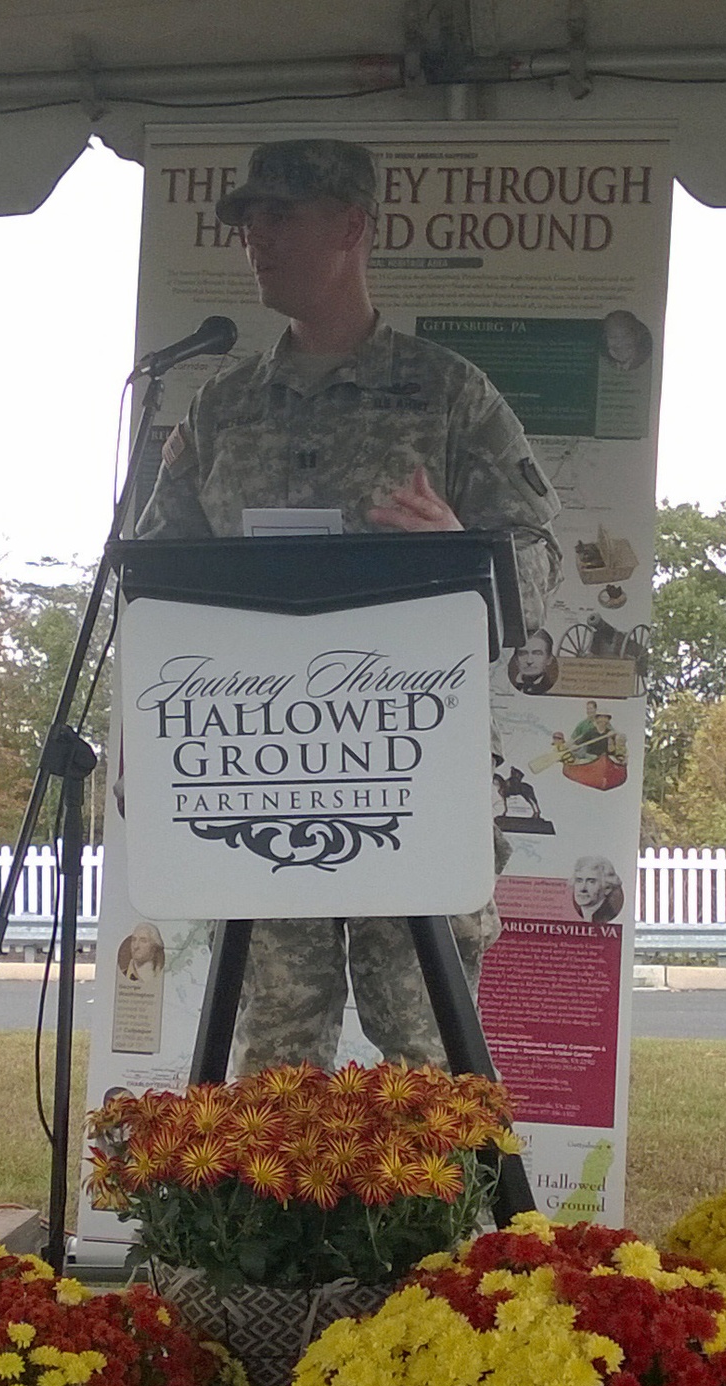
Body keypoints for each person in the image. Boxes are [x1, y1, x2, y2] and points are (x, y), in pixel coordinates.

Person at [137, 137, 562, 1075]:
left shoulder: (450, 395)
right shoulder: (221, 406)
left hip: (413, 772)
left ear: (352, 226)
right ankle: (272, 1228)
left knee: (432, 1061)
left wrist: (460, 548)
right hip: (263, 776)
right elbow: (158, 576)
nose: (254, 237)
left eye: (277, 215)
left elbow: (535, 564)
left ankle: (450, 1229)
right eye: (245, 220)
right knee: (276, 1071)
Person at [571, 857, 624, 923]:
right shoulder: (578, 913)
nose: (582, 888)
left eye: (591, 882)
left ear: (607, 888)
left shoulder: (607, 916)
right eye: (579, 880)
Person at [509, 629, 558, 694]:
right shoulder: (511, 686)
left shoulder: (549, 686)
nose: (529, 661)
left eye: (537, 654)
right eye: (523, 653)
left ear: (549, 659)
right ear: (516, 659)